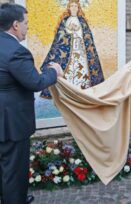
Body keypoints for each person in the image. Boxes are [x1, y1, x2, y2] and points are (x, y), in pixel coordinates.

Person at [0, 3, 63, 203]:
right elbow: (35, 82)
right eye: (26, 23)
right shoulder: (16, 51)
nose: (28, 27)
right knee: (13, 170)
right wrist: (55, 72)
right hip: (12, 124)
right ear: (16, 25)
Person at [40, 0, 104, 98]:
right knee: (68, 73)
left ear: (78, 8)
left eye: (76, 6)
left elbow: (87, 37)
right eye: (72, 6)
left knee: (82, 72)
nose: (74, 8)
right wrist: (69, 31)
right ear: (69, 8)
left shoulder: (82, 21)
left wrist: (77, 32)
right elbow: (60, 38)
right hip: (68, 52)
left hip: (81, 52)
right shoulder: (65, 21)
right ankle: (68, 93)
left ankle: (81, 91)